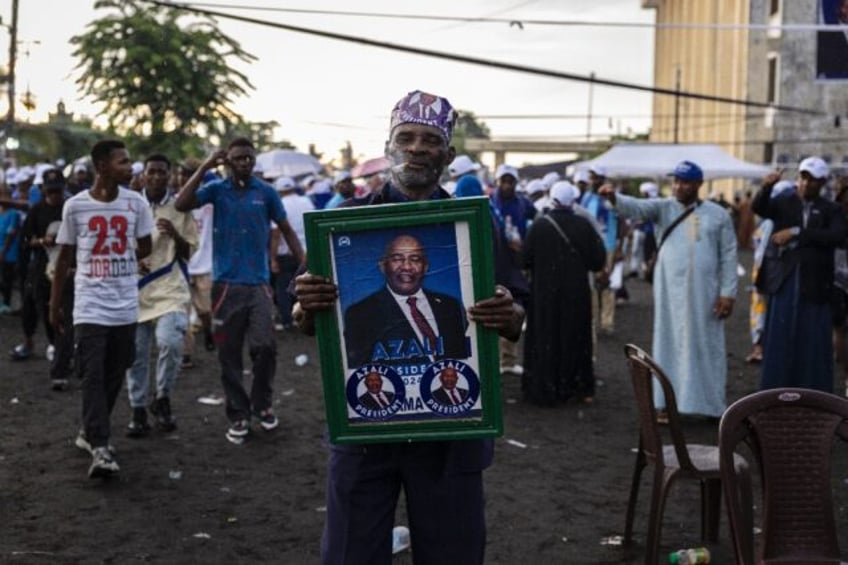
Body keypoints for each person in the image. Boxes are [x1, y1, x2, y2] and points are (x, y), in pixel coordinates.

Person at [293, 89, 526, 565]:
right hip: (365, 431)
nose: (417, 148)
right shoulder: (344, 225)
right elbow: (305, 316)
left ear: (449, 156)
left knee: (452, 552)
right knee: (349, 551)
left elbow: (515, 307)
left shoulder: (474, 227)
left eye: (429, 140)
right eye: (407, 137)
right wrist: (304, 307)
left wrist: (511, 316)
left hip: (451, 431)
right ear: (389, 146)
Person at [174, 136, 305, 445]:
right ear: (228, 161)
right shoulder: (216, 190)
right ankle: (239, 415)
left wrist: (305, 267)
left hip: (259, 285)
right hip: (225, 288)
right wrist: (206, 165)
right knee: (229, 355)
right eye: (238, 158)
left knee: (265, 348)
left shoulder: (267, 193)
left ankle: (262, 405)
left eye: (249, 157)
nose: (244, 162)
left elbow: (287, 231)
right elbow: (181, 203)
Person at [599, 160, 738, 419]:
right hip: (670, 294)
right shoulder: (663, 208)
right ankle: (664, 404)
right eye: (675, 181)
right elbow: (636, 207)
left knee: (708, 346)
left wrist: (728, 293)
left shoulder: (718, 214)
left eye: (684, 182)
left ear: (698, 184)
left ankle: (711, 406)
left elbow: (729, 256)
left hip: (705, 294)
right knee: (668, 344)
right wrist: (614, 197)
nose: (678, 186)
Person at [49, 139, 154, 478]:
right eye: (123, 162)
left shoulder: (136, 204)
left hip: (124, 306)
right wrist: (55, 305)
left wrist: (118, 258)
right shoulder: (75, 207)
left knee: (113, 375)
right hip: (89, 306)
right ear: (103, 166)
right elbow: (64, 258)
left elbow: (144, 246)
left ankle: (89, 431)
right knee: (92, 375)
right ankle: (101, 447)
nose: (131, 167)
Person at [753, 157, 848, 392]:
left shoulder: (831, 209)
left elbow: (837, 236)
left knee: (813, 342)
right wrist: (766, 187)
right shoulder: (785, 202)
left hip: (816, 284)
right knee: (780, 339)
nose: (806, 184)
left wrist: (797, 233)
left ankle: (812, 396)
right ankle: (775, 393)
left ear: (822, 182)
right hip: (785, 280)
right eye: (803, 178)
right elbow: (759, 208)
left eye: (812, 180)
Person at [125, 154, 198, 437]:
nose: (156, 177)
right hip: (136, 287)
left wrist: (175, 236)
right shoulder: (131, 205)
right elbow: (118, 247)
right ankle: (137, 409)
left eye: (161, 172)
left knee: (171, 342)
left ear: (170, 176)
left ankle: (163, 398)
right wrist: (134, 259)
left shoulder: (181, 206)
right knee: (136, 353)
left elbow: (189, 253)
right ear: (143, 175)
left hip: (171, 286)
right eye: (151, 172)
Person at [522, 181, 606, 406]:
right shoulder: (583, 225)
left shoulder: (539, 226)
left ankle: (545, 388)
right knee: (575, 339)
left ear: (552, 199)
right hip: (576, 294)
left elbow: (524, 259)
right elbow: (598, 261)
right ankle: (577, 388)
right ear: (573, 201)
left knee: (545, 338)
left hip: (544, 295)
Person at [342, 234, 469, 368]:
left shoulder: (450, 306)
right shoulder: (360, 314)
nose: (407, 267)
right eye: (397, 259)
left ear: (425, 267)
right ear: (383, 266)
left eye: (415, 259)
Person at [10, 168, 66, 361]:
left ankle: (58, 344)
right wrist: (43, 241)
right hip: (41, 265)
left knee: (60, 306)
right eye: (51, 191)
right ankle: (28, 342)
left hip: (66, 266)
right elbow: (26, 240)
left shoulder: (70, 208)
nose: (55, 196)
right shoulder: (37, 210)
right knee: (32, 303)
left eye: (58, 191)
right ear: (43, 190)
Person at [490, 163, 535, 375]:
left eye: (511, 181)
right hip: (498, 260)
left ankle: (508, 359)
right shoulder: (489, 203)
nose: (507, 185)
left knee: (515, 304)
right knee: (496, 304)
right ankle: (496, 358)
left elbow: (535, 219)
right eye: (504, 181)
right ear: (497, 182)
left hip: (518, 260)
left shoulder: (523, 204)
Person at [179, 161, 216, 369]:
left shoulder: (208, 202)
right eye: (181, 175)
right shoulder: (177, 203)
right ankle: (186, 353)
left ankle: (209, 331)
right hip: (182, 267)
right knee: (182, 313)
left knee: (205, 311)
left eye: (188, 175)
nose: (183, 179)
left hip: (204, 265)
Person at [581, 164, 622, 335]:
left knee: (606, 284)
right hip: (590, 247)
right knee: (591, 285)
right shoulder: (586, 198)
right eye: (591, 177)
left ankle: (607, 323)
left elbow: (621, 222)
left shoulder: (612, 198)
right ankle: (593, 323)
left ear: (603, 179)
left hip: (609, 246)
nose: (592, 180)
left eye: (596, 177)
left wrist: (620, 247)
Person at [270, 175, 313, 331]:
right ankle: (302, 317)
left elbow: (276, 234)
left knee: (283, 288)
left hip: (286, 253)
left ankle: (288, 321)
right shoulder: (306, 201)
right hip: (307, 252)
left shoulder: (280, 204)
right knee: (303, 286)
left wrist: (273, 259)